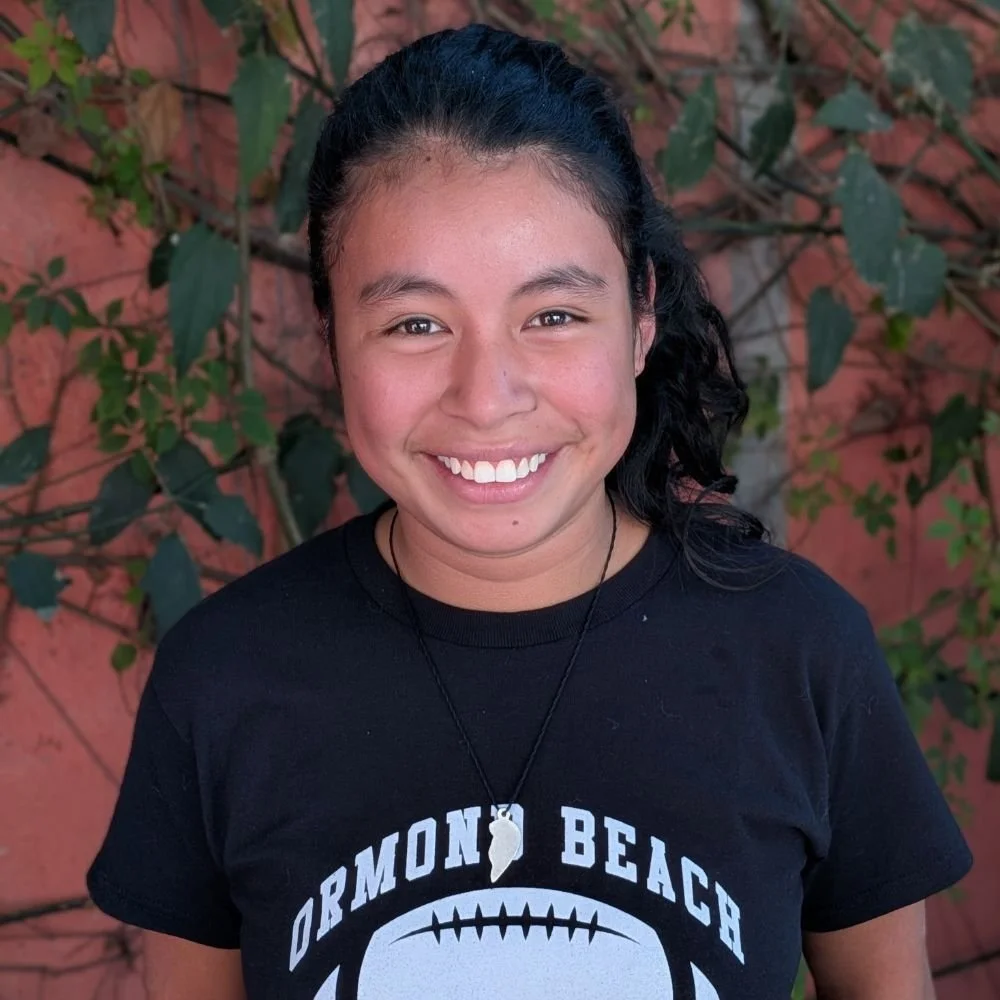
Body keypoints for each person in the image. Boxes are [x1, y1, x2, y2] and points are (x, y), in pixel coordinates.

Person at [86, 23, 972, 1000]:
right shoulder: (224, 680)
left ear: (639, 315)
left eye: (552, 315)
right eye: (415, 323)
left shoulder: (799, 654)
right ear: (331, 334)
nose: (486, 395)